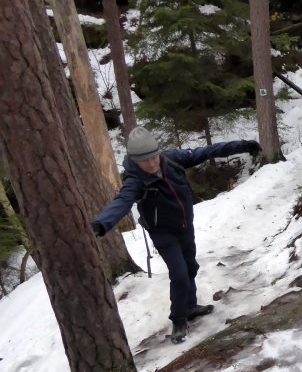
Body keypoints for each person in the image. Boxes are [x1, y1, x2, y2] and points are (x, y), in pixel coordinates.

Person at [92, 126, 262, 344]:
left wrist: (242, 145)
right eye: (146, 161)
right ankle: (178, 319)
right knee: (180, 274)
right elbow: (122, 202)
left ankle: (190, 306)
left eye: (154, 157)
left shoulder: (172, 160)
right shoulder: (135, 180)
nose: (152, 164)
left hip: (184, 226)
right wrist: (101, 224)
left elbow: (206, 151)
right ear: (135, 161)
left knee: (190, 267)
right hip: (163, 233)